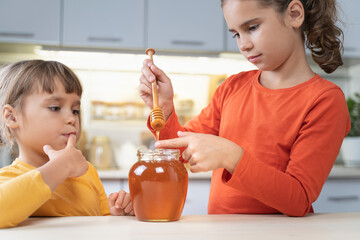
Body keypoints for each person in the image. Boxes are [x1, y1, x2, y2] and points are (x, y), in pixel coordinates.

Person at [139, 0, 351, 216]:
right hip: (223, 232)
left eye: (252, 28)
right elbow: (178, 151)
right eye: (236, 34)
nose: (243, 45)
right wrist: (164, 107)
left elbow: (298, 199)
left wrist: (231, 156)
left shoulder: (325, 100)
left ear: (294, 14)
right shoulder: (232, 88)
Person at [0, 60, 134, 228]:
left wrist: (118, 213)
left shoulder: (87, 173)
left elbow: (103, 223)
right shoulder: (8, 178)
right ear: (12, 117)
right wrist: (61, 167)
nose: (72, 118)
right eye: (55, 108)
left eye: (75, 110)